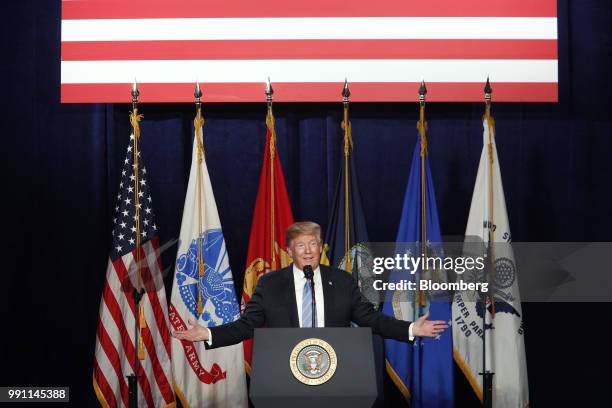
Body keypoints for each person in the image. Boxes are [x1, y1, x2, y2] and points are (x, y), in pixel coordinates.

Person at [173, 221, 448, 347]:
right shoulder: (269, 284)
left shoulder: (341, 280)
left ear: (320, 247)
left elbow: (370, 319)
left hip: (335, 374)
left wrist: (411, 328)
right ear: (289, 251)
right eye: (301, 245)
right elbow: (247, 325)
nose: (308, 251)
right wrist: (209, 334)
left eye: (313, 244)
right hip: (285, 377)